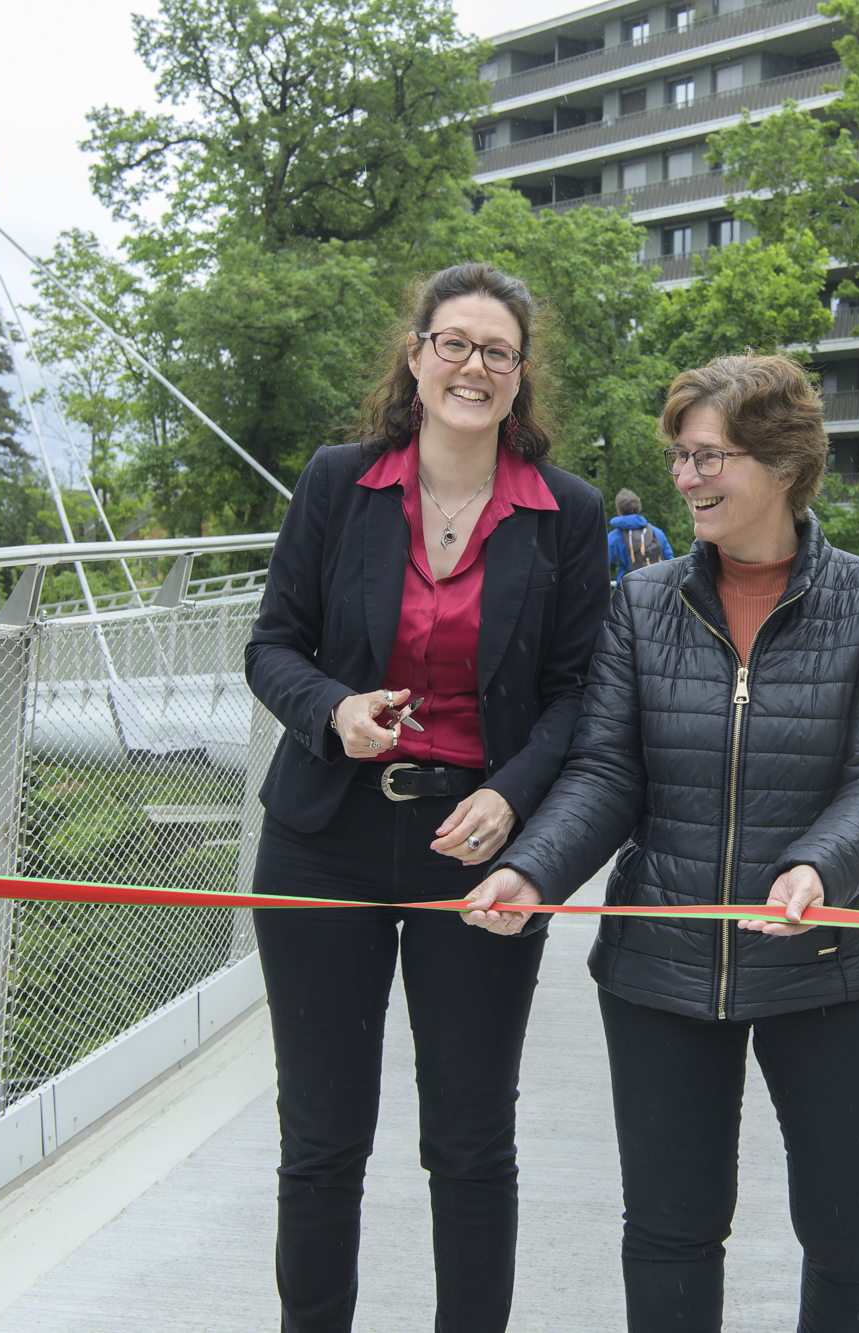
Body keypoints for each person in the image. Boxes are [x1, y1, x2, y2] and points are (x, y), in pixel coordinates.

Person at [463, 354, 859, 1333]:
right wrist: (531, 867)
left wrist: (815, 864)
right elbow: (604, 773)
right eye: (679, 456)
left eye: (709, 457)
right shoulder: (641, 606)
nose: (687, 478)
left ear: (785, 461)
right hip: (659, 968)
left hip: (831, 964)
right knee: (671, 1232)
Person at [243, 262, 608, 1333]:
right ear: (414, 357)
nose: (473, 366)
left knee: (468, 1136)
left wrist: (511, 799)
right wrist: (333, 710)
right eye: (453, 342)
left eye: (496, 351)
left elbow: (578, 693)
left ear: (519, 376)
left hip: (476, 850)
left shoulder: (565, 514)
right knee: (320, 1138)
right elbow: (272, 647)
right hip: (324, 835)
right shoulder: (336, 483)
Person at [606, 486, 674, 579]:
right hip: (657, 591)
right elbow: (672, 564)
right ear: (639, 509)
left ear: (619, 512)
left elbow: (601, 565)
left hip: (628, 591)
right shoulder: (657, 533)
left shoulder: (614, 537)